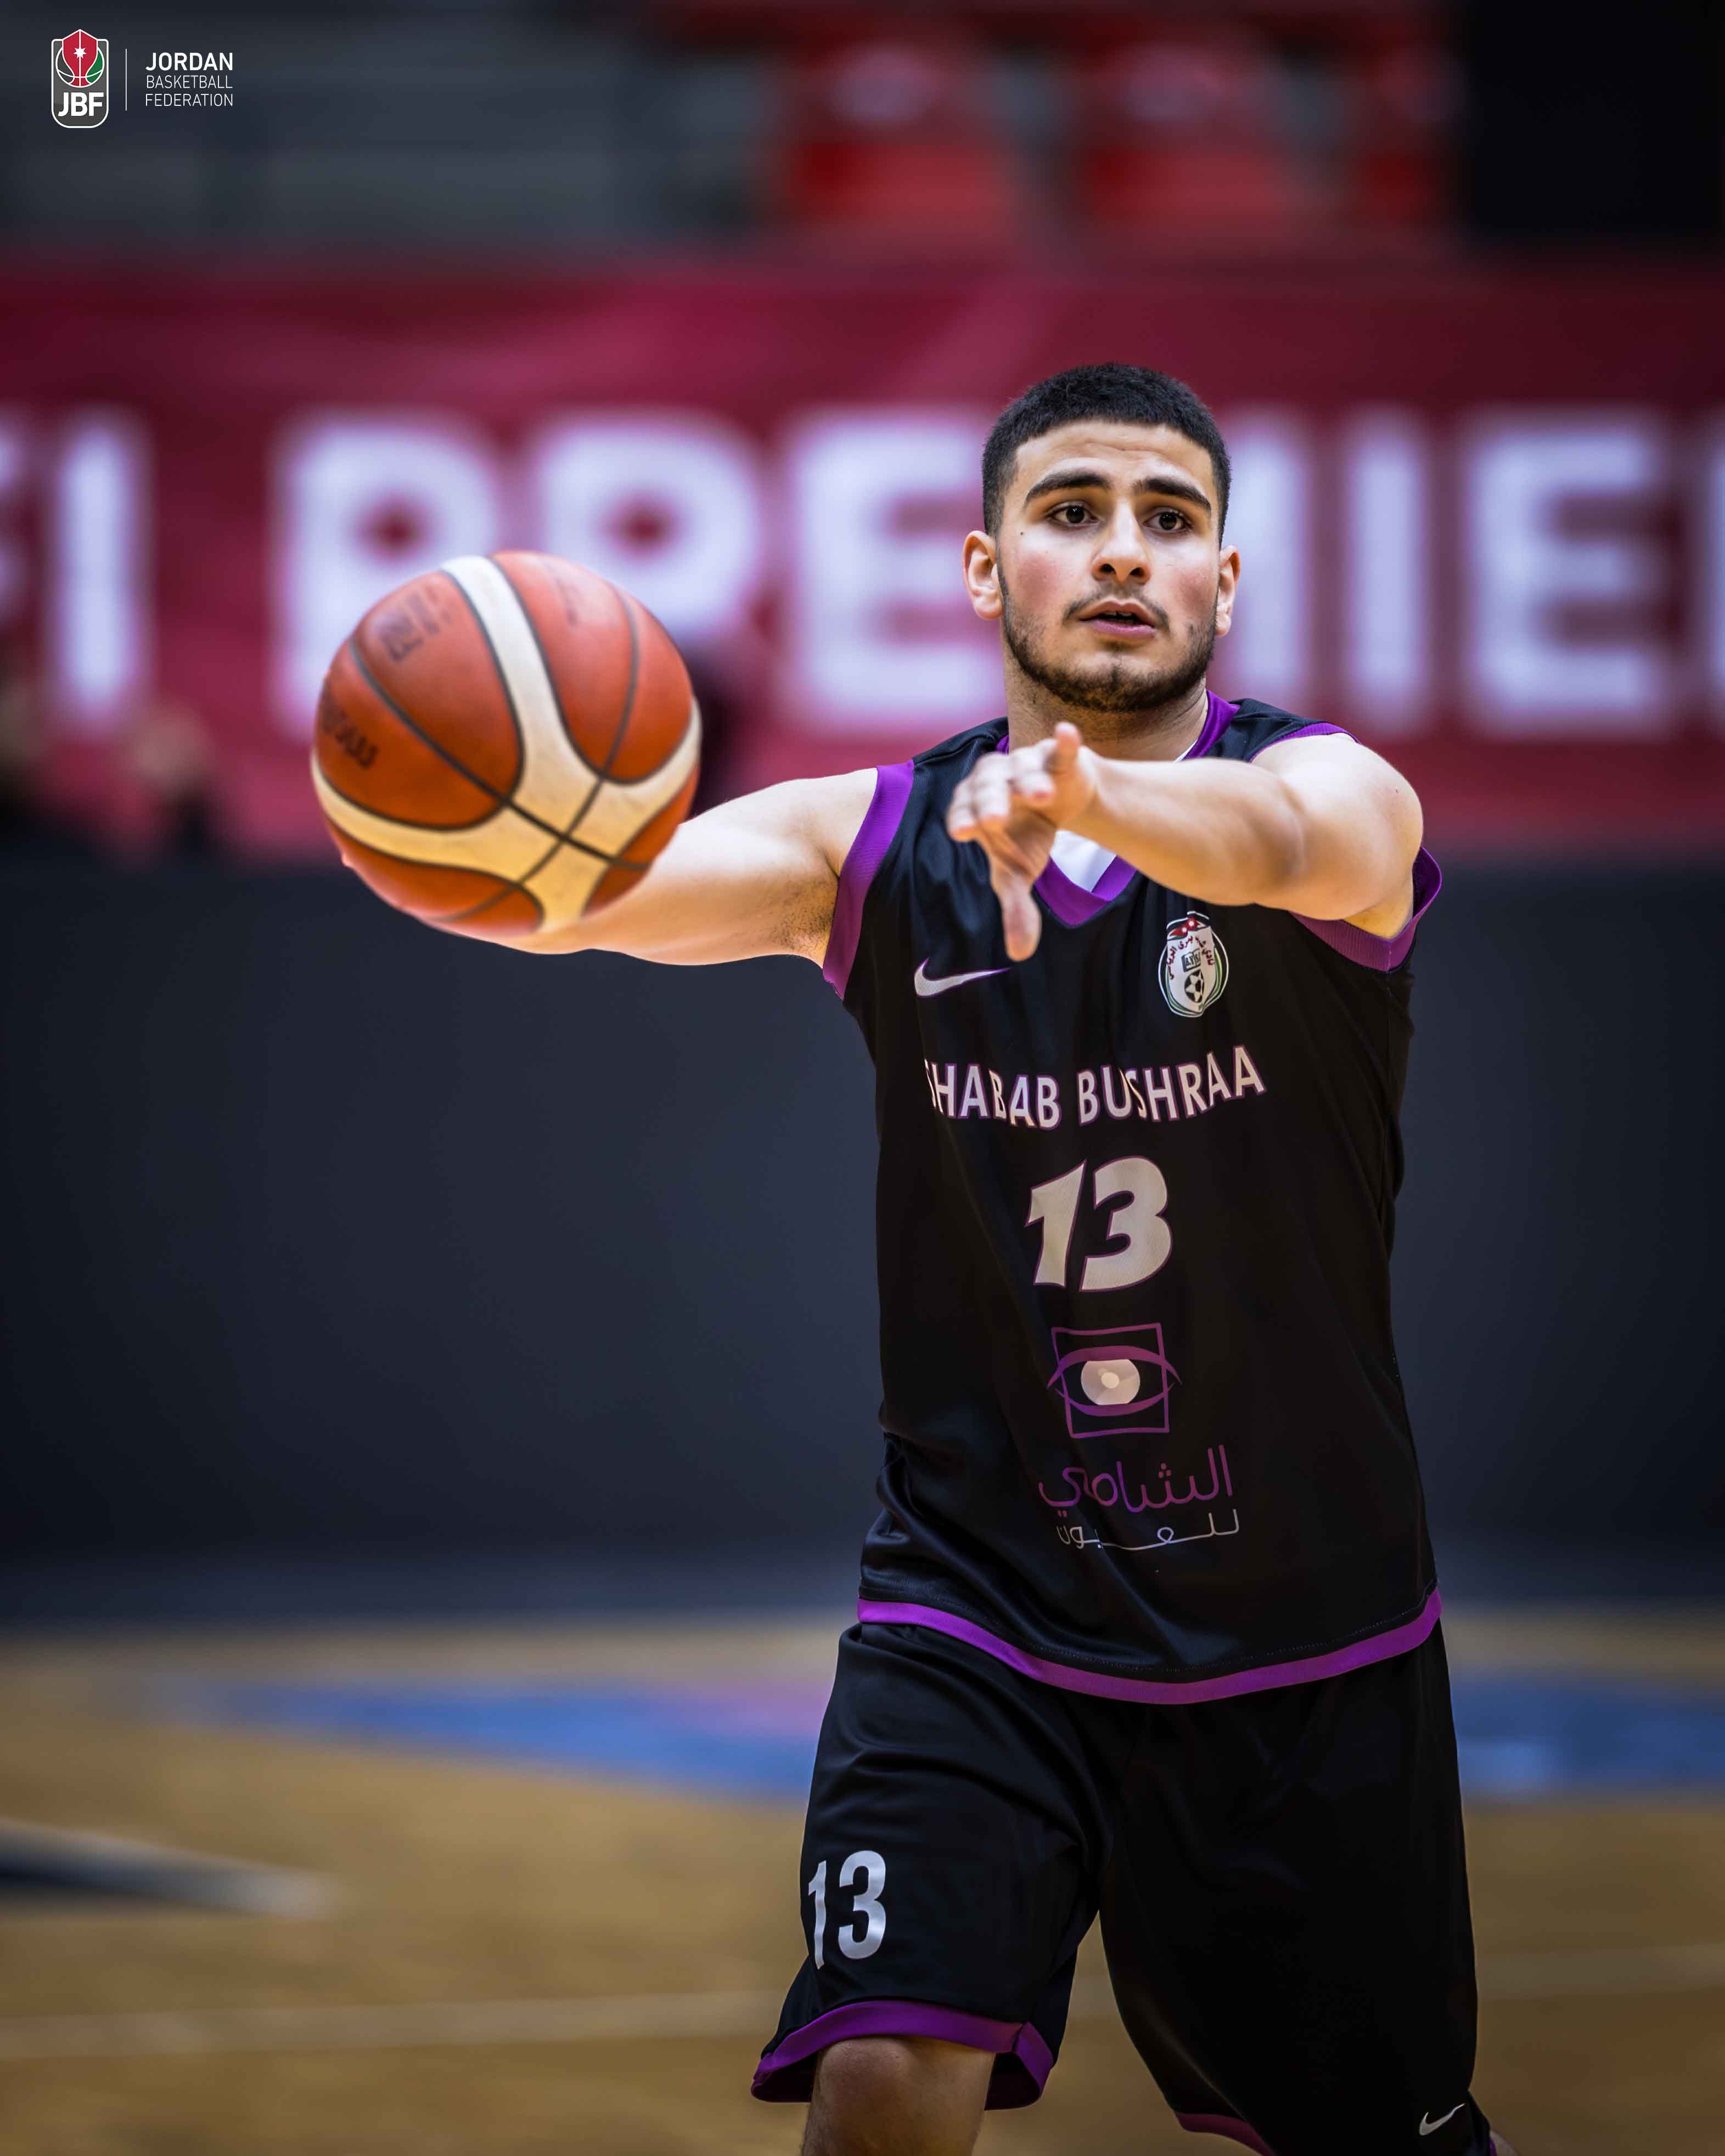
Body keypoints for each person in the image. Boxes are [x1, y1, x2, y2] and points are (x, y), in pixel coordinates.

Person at [465, 364, 1518, 2156]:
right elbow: (593, 898)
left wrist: (1091, 803)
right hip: (980, 1603)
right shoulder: (878, 840)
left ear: (1224, 582)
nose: (1123, 551)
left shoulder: (1337, 794)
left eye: (1169, 520)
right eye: (1072, 510)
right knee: (882, 2079)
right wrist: (457, 839)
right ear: (982, 568)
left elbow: (1279, 844)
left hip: (1303, 1638)